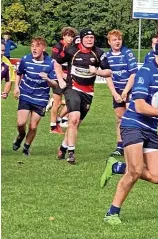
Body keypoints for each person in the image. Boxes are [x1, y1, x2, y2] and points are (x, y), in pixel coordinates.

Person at [101, 35, 158, 225]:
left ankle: (117, 166)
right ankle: (112, 213)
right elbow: (140, 106)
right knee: (134, 172)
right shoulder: (146, 72)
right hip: (133, 124)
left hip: (150, 129)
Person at [54, 28, 112, 164]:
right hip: (72, 87)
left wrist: (97, 71)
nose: (90, 40)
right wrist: (60, 80)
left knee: (76, 123)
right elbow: (57, 62)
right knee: (74, 118)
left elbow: (108, 72)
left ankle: (63, 146)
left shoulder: (99, 53)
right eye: (87, 38)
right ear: (82, 39)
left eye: (92, 38)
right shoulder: (72, 50)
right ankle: (71, 153)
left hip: (88, 91)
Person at [12, 37, 57, 155]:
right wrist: (16, 87)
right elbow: (19, 73)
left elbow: (55, 83)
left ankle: (26, 147)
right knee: (21, 123)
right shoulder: (25, 59)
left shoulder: (50, 63)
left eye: (37, 46)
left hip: (41, 98)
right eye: (32, 46)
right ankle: (21, 136)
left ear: (43, 48)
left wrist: (47, 79)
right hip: (26, 94)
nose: (34, 49)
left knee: (33, 126)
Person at [105, 29, 138, 157]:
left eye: (119, 39)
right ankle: (120, 146)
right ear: (109, 42)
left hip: (130, 89)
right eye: (114, 40)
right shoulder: (107, 57)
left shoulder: (127, 53)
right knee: (119, 118)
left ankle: (133, 144)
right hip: (117, 90)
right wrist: (115, 93)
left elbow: (133, 74)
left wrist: (125, 92)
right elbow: (108, 77)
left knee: (131, 117)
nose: (117, 42)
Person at [49, 27, 77, 134]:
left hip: (68, 77)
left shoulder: (73, 47)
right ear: (63, 36)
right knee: (57, 102)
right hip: (58, 76)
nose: (70, 38)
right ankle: (53, 127)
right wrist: (62, 75)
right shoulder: (58, 47)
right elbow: (54, 63)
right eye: (68, 36)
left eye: (72, 36)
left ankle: (59, 120)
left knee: (72, 101)